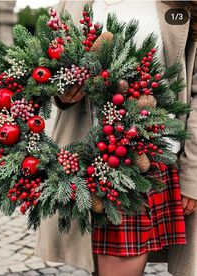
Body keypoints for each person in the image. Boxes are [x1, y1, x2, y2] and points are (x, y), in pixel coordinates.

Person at [35, 1, 197, 275]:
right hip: (84, 158)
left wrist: (192, 172)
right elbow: (51, 68)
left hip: (145, 160)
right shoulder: (73, 3)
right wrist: (61, 90)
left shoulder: (182, 4)